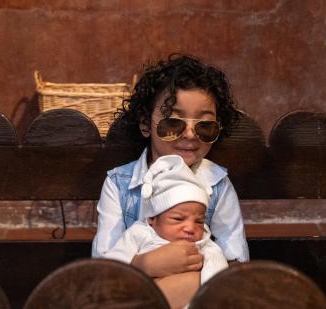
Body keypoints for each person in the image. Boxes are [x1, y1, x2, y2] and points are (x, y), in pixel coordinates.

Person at [92, 54, 248, 308]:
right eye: (173, 123)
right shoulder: (120, 185)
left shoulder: (217, 185)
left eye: (205, 126)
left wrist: (192, 278)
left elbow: (236, 263)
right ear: (145, 124)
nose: (189, 134)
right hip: (127, 293)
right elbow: (103, 269)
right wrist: (144, 265)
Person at [103, 154, 229, 299]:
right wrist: (143, 265)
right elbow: (112, 266)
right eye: (178, 219)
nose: (190, 227)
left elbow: (217, 271)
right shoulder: (139, 233)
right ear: (152, 219)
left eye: (199, 221)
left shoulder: (204, 244)